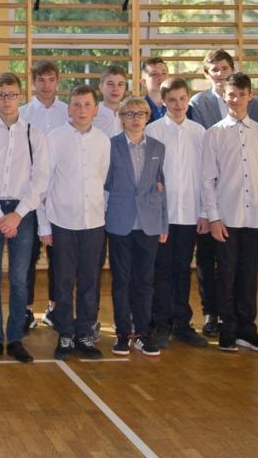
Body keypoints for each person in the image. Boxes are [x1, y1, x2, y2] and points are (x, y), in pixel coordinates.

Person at [0, 73, 49, 363]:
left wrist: (17, 214)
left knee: (19, 277)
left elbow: (41, 179)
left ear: (21, 97)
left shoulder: (34, 135)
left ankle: (15, 337)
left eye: (12, 94)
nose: (7, 100)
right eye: (1, 94)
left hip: (23, 212)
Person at [202, 71, 258, 353]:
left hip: (255, 216)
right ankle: (228, 328)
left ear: (250, 96)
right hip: (227, 217)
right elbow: (207, 180)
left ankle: (247, 329)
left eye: (241, 94)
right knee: (226, 274)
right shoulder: (214, 133)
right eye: (231, 95)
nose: (236, 99)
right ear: (224, 96)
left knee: (248, 275)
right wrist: (214, 217)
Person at [188, 49, 258, 338]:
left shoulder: (250, 103)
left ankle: (238, 317)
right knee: (207, 257)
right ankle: (211, 312)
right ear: (207, 74)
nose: (219, 73)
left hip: (238, 191)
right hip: (208, 189)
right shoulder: (197, 103)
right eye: (214, 69)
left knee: (236, 264)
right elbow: (201, 146)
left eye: (224, 68)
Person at [39, 85, 110, 361]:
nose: (82, 110)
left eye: (87, 105)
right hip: (62, 223)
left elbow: (103, 180)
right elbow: (43, 185)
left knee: (90, 282)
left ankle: (84, 334)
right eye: (77, 105)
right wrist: (44, 226)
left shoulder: (103, 141)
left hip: (93, 223)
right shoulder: (54, 138)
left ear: (96, 109)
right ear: (68, 108)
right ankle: (66, 334)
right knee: (63, 281)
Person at [146, 77, 210, 348]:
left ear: (188, 99)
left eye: (182, 99)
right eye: (172, 100)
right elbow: (149, 177)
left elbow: (206, 175)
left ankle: (182, 324)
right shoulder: (153, 131)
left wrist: (205, 212)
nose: (178, 104)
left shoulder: (200, 132)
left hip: (190, 213)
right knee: (161, 270)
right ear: (163, 101)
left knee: (183, 269)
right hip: (163, 216)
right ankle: (161, 324)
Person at [104, 96, 168, 358]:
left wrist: (163, 223)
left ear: (147, 117)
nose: (135, 118)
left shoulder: (157, 147)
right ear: (121, 118)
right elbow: (104, 183)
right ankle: (122, 333)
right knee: (121, 280)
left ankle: (142, 332)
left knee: (145, 281)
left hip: (148, 224)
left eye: (140, 113)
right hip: (120, 222)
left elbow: (161, 186)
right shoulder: (110, 146)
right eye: (129, 114)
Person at [19, 60, 69, 330]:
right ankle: (26, 310)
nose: (46, 85)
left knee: (59, 258)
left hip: (61, 195)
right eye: (41, 80)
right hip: (29, 196)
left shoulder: (68, 111)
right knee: (27, 257)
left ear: (57, 81)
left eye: (51, 79)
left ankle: (55, 308)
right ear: (33, 82)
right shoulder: (23, 113)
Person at [93, 65, 126, 137]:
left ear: (124, 87)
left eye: (120, 84)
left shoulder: (131, 112)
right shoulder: (92, 114)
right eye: (110, 84)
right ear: (101, 87)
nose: (115, 89)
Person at [141, 57, 169, 122]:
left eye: (164, 73)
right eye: (154, 74)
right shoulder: (138, 108)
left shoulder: (179, 107)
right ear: (144, 82)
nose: (160, 77)